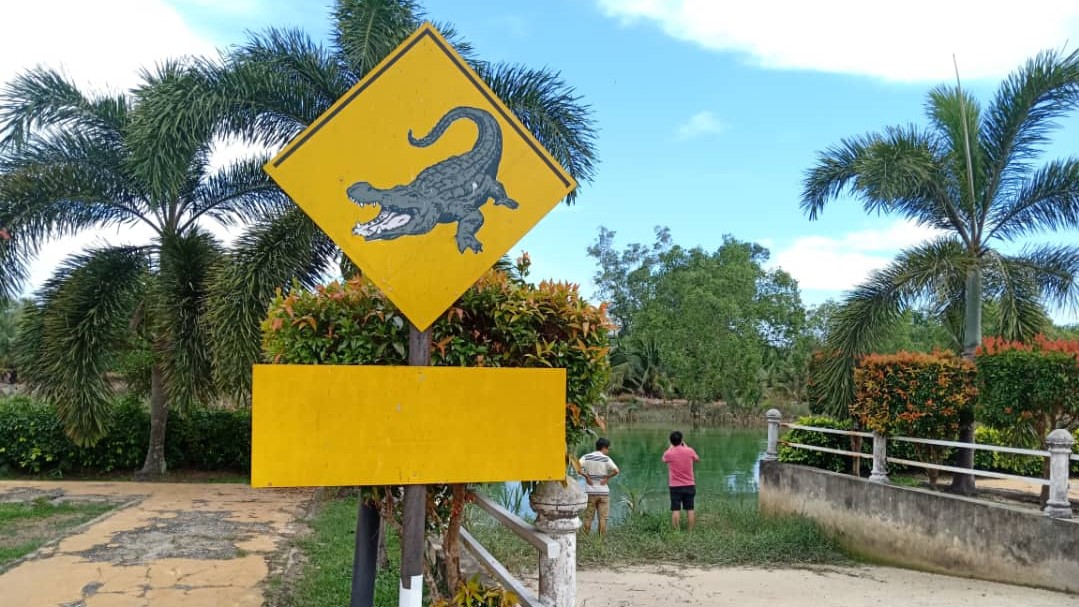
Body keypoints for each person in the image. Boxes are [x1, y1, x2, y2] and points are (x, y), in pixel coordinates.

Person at [578, 437, 619, 537]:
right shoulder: (606, 459)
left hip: (590, 492)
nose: (608, 451)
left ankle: (585, 537)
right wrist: (607, 478)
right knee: (603, 518)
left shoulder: (587, 457)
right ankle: (600, 539)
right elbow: (616, 470)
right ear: (604, 448)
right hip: (604, 492)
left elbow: (577, 467)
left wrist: (586, 476)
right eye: (608, 448)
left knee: (588, 517)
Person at [662, 430, 700, 530]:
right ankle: (690, 531)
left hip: (675, 486)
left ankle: (676, 531)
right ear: (681, 440)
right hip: (689, 484)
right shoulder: (689, 451)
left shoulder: (669, 453)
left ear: (671, 441)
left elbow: (663, 460)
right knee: (690, 509)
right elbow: (697, 459)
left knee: (675, 509)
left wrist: (671, 447)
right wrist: (686, 447)